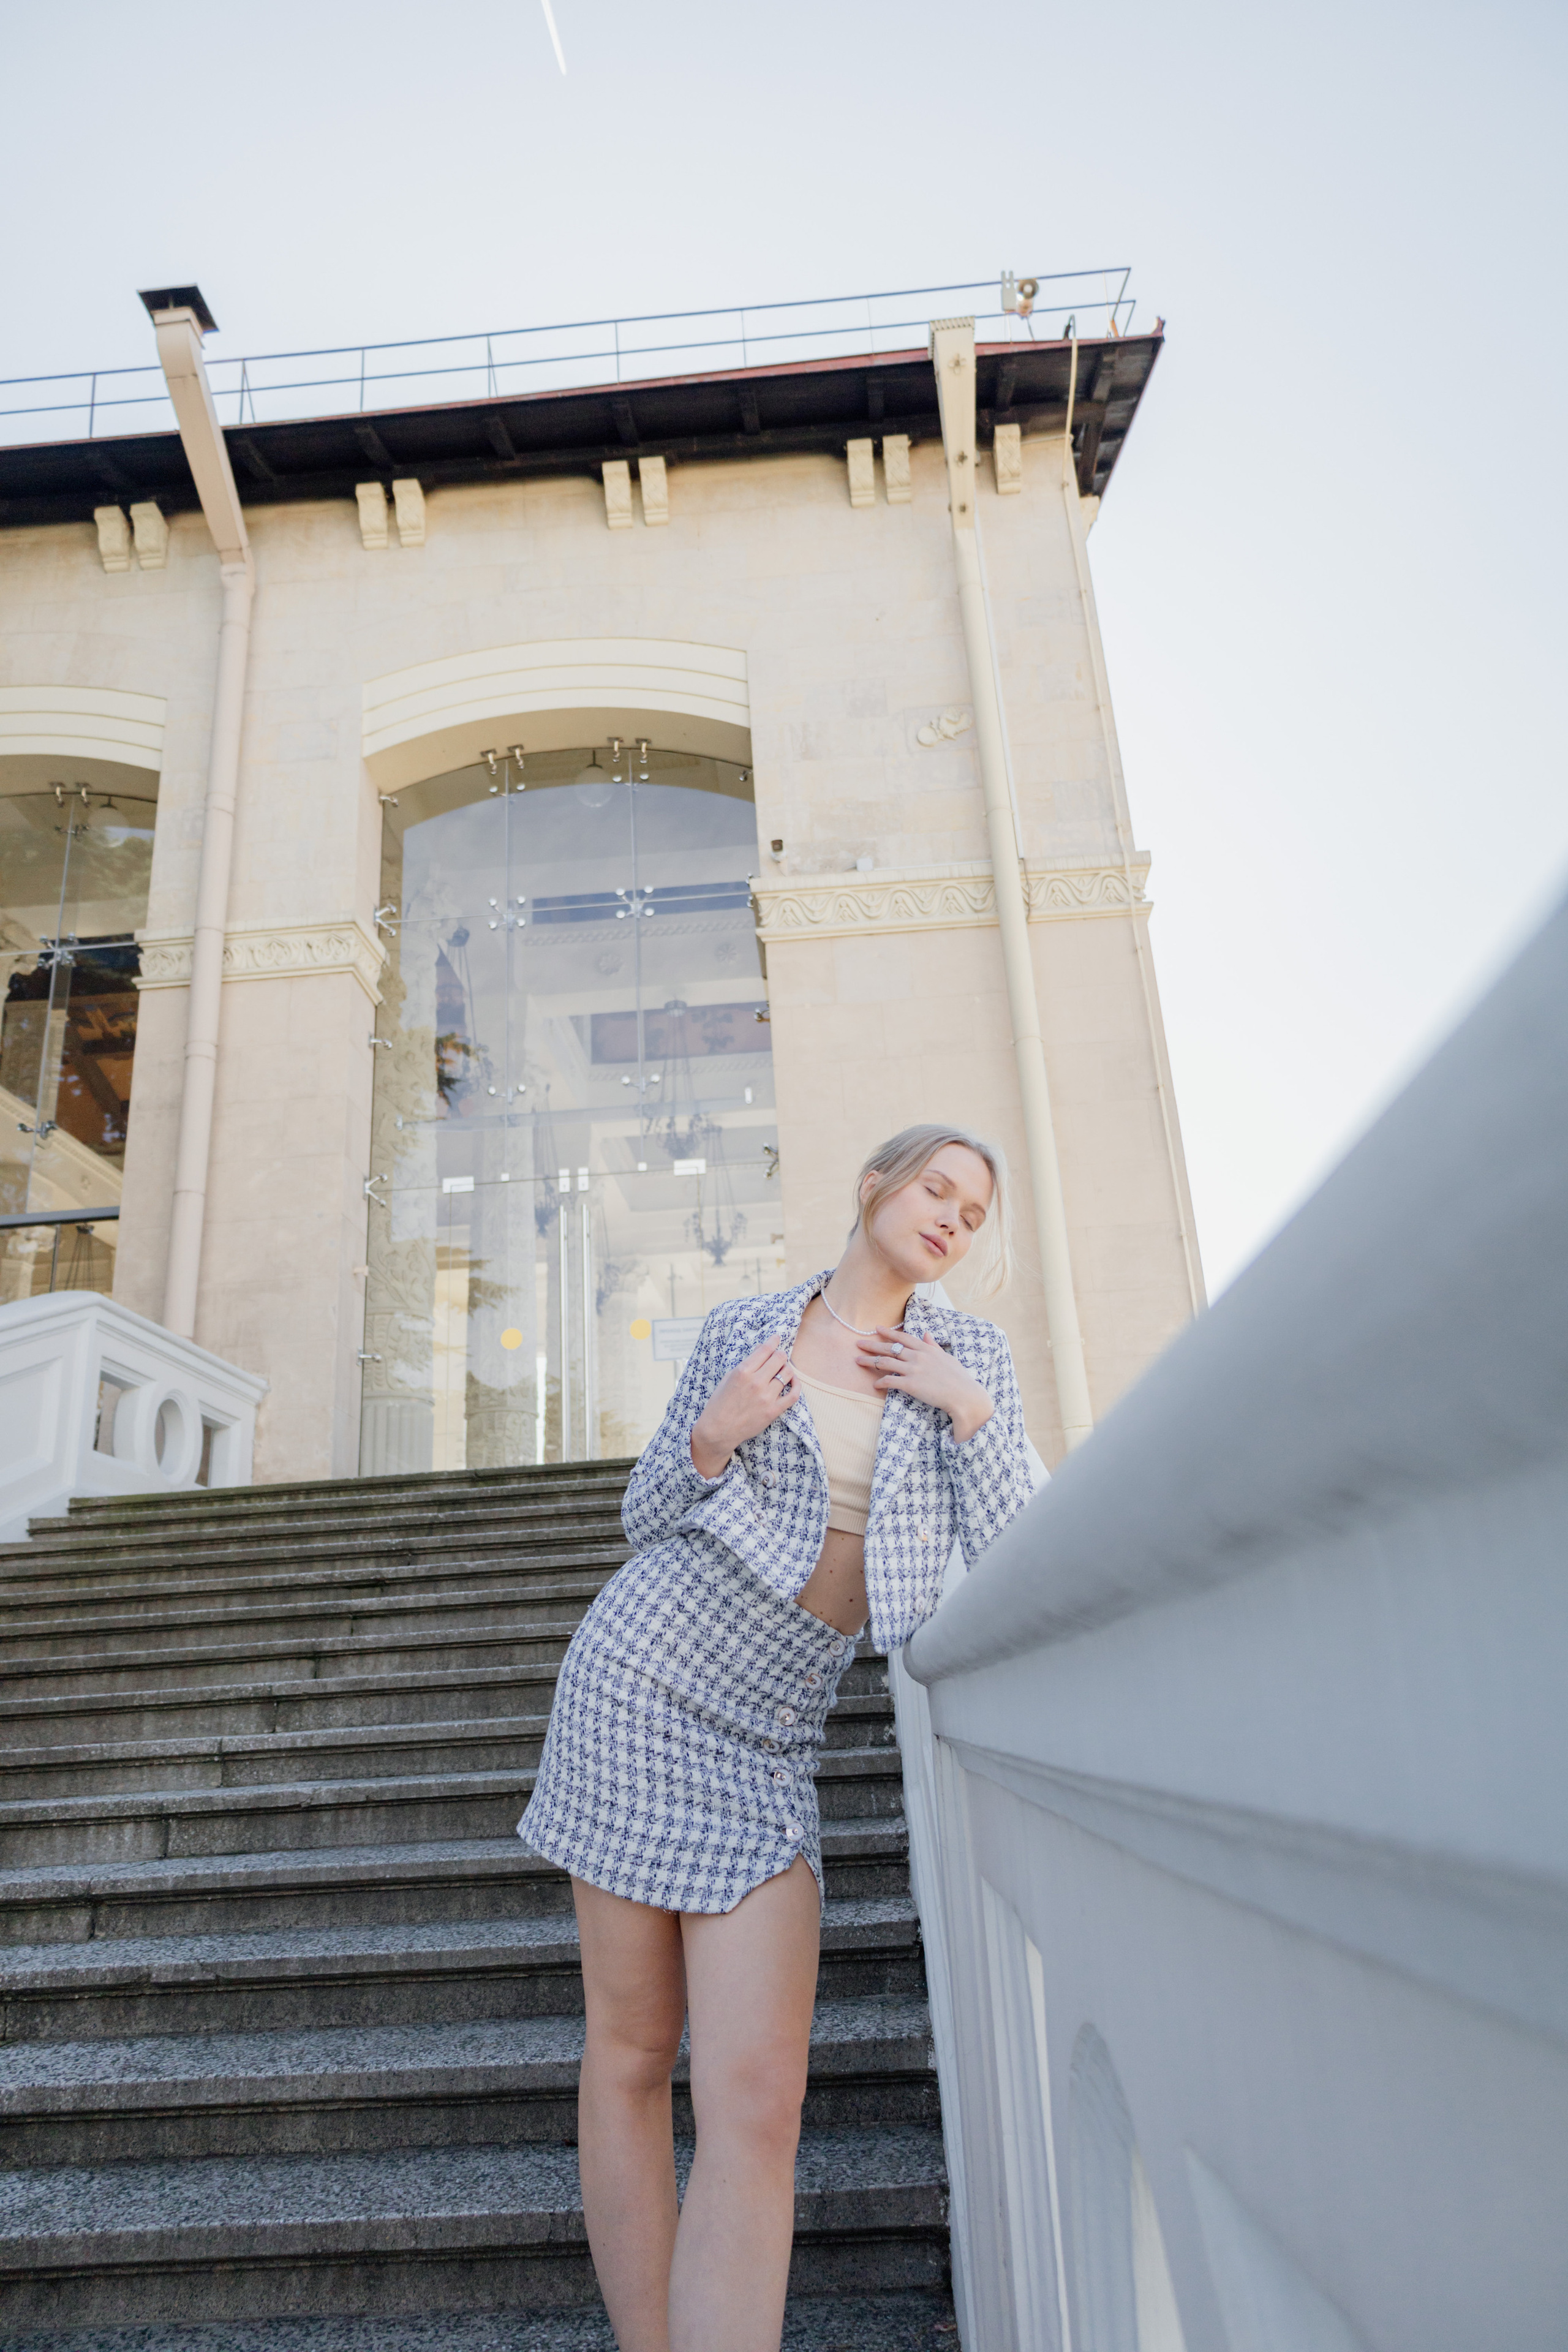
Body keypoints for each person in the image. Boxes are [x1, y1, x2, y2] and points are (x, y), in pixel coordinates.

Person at [519, 1123, 1037, 2352]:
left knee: (757, 2095)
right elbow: (648, 1511)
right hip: (642, 1684)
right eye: (934, 1188)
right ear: (873, 1188)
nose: (951, 1217)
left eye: (971, 1211)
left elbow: (1017, 1551)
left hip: (769, 1734)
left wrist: (965, 1412)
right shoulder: (744, 1330)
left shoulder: (968, 1356)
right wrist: (717, 1430)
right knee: (634, 2051)